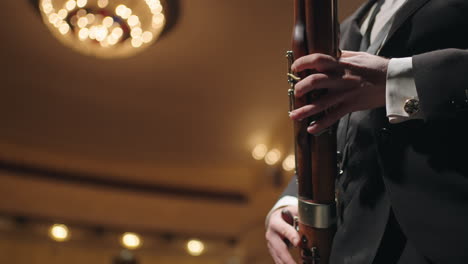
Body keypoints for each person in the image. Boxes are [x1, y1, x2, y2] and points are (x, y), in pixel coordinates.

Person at [265, 0, 468, 263]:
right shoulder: (351, 23)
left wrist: (398, 80)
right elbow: (340, 131)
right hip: (351, 246)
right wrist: (294, 198)